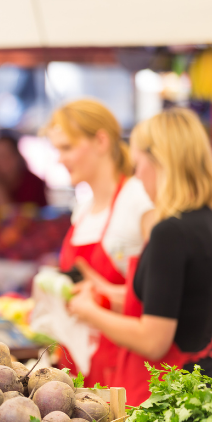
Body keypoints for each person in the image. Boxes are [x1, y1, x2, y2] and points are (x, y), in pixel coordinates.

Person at [69, 108, 212, 405]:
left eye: (138, 164)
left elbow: (153, 340)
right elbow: (175, 300)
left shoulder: (170, 232)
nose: (137, 176)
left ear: (161, 162)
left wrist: (90, 313)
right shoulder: (211, 223)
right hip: (197, 387)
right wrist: (106, 292)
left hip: (162, 395)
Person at [44, 99, 154, 388]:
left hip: (129, 368)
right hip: (83, 362)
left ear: (101, 141)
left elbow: (159, 296)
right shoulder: (83, 209)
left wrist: (101, 297)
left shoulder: (138, 200)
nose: (59, 159)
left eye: (66, 148)